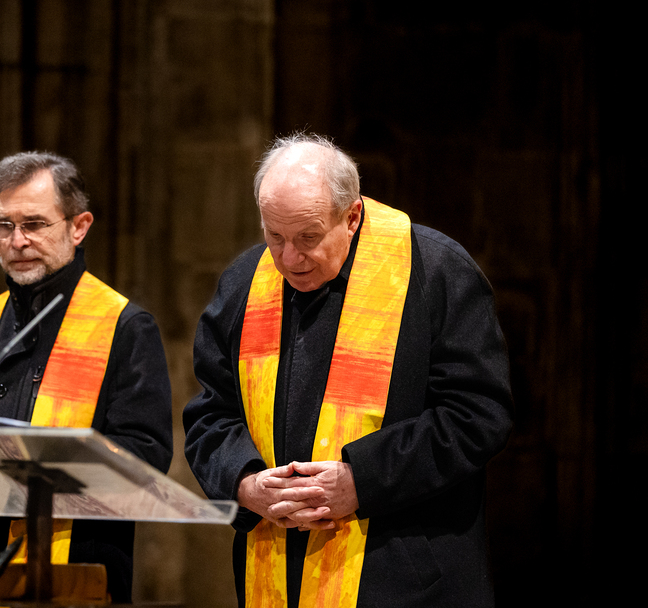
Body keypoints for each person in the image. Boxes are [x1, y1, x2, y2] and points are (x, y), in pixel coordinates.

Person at [183, 133, 513, 608]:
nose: (289, 258)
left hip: (405, 576)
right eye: (274, 236)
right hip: (278, 574)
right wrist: (244, 482)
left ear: (352, 216)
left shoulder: (436, 271)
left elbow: (477, 415)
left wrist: (364, 480)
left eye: (308, 238)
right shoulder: (244, 282)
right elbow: (211, 415)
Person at [0, 151, 173, 603]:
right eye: (4, 225)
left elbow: (146, 457)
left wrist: (31, 478)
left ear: (79, 226)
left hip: (75, 575)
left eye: (34, 224)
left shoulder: (123, 325)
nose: (17, 241)